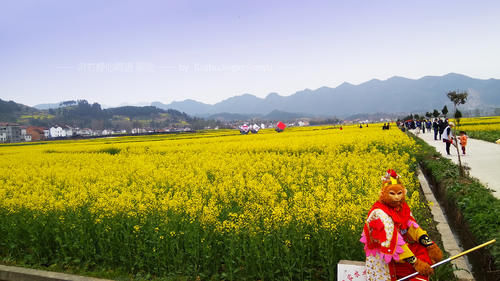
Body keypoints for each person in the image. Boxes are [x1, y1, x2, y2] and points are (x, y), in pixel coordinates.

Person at [360, 169, 443, 281]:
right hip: (386, 256)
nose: (397, 198)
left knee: (421, 252)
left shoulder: (401, 208)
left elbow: (412, 227)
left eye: (399, 193)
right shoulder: (379, 213)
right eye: (392, 194)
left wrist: (430, 245)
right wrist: (415, 262)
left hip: (401, 252)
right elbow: (393, 241)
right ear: (383, 194)